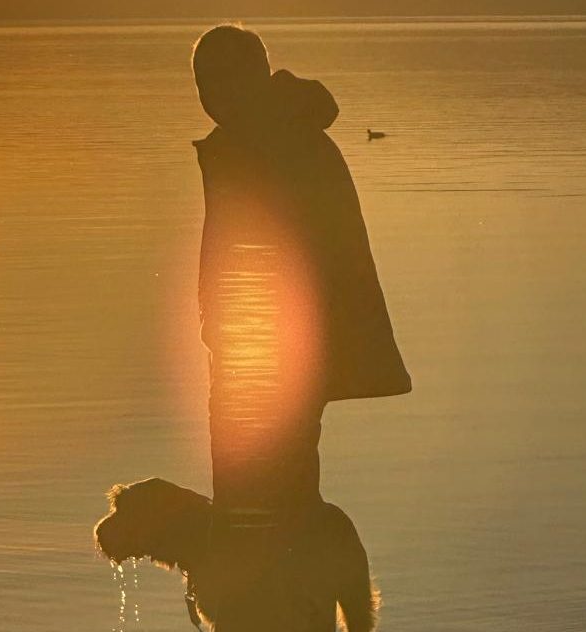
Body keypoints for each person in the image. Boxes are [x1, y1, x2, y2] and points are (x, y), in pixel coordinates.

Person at [191, 24, 410, 629]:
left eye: (220, 80)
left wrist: (246, 341)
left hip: (269, 360)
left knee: (265, 505)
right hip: (252, 354)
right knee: (262, 503)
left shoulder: (278, 144)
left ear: (255, 76)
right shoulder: (261, 137)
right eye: (202, 84)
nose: (210, 95)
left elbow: (310, 260)